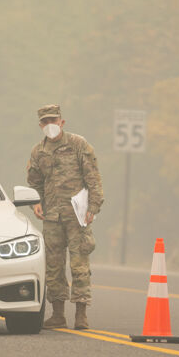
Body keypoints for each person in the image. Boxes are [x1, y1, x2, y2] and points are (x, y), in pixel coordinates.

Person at [26, 104, 104, 329]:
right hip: (52, 216)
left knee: (79, 264)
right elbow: (34, 183)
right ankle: (58, 313)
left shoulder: (78, 145)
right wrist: (36, 203)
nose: (50, 124)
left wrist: (93, 207)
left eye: (54, 120)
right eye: (45, 121)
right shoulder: (38, 152)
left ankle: (81, 314)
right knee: (53, 266)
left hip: (77, 215)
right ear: (40, 125)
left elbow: (93, 178)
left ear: (62, 122)